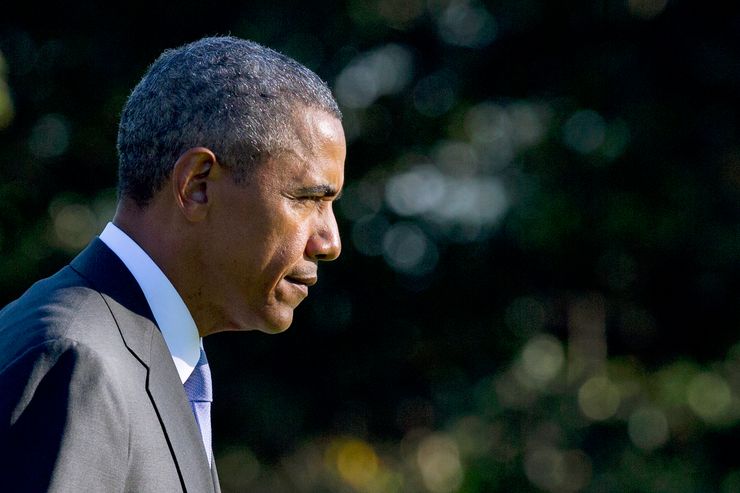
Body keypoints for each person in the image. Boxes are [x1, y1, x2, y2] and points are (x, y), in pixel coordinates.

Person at [0, 35, 345, 492]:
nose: (330, 242)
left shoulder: (136, 352)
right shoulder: (78, 360)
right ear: (197, 185)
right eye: (307, 199)